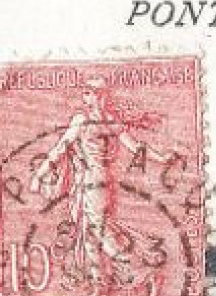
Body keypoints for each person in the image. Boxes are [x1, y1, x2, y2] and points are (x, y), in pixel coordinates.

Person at [27, 77, 175, 283]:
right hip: (102, 182)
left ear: (98, 96)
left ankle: (143, 273)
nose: (84, 96)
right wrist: (161, 158)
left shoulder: (82, 120)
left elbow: (61, 148)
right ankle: (99, 285)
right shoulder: (111, 121)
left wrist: (39, 175)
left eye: (88, 92)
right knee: (89, 233)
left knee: (99, 231)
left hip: (91, 182)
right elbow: (137, 147)